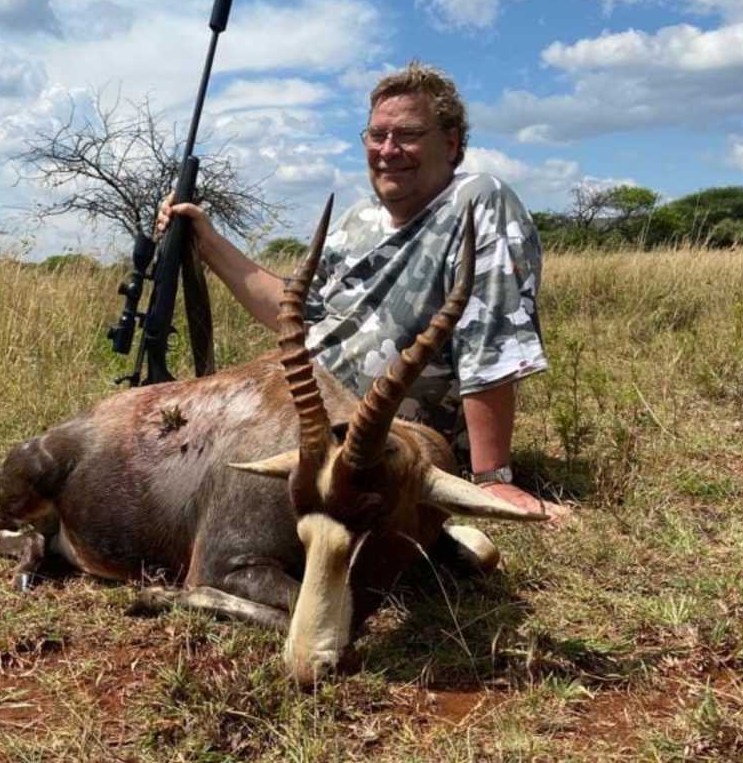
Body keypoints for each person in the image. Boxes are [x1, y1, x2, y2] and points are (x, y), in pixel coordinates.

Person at [157, 61, 569, 523]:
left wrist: (492, 477)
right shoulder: (356, 220)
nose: (388, 150)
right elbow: (292, 313)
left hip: (374, 441)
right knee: (167, 442)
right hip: (294, 407)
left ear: (451, 143)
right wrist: (206, 242)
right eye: (377, 135)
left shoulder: (478, 200)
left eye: (408, 135)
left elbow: (489, 337)